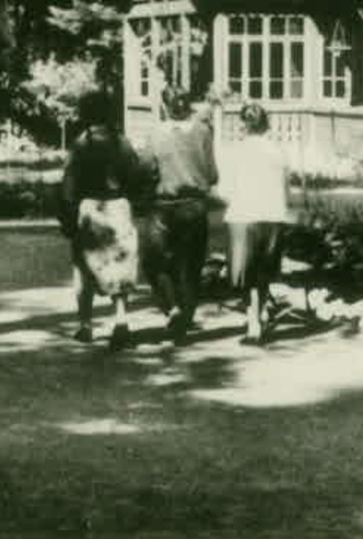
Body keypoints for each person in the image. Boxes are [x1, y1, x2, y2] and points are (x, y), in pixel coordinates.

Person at [58, 90, 154, 351]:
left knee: (85, 266)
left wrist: (68, 211)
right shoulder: (122, 142)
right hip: (119, 207)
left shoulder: (81, 144)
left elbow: (69, 183)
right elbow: (136, 176)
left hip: (91, 208)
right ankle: (121, 319)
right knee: (119, 265)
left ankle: (86, 325)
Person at [141, 87, 219, 343]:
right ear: (188, 107)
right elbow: (212, 175)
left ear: (165, 107)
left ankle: (172, 307)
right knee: (191, 266)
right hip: (194, 207)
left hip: (163, 206)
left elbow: (147, 169)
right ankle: (183, 322)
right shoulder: (203, 131)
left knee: (154, 261)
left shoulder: (155, 133)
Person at [217, 101, 290, 345]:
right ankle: (262, 313)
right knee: (263, 270)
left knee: (245, 275)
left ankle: (254, 324)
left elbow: (225, 190)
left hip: (244, 216)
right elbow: (285, 188)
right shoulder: (278, 151)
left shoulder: (235, 151)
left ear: (243, 125)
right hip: (273, 216)